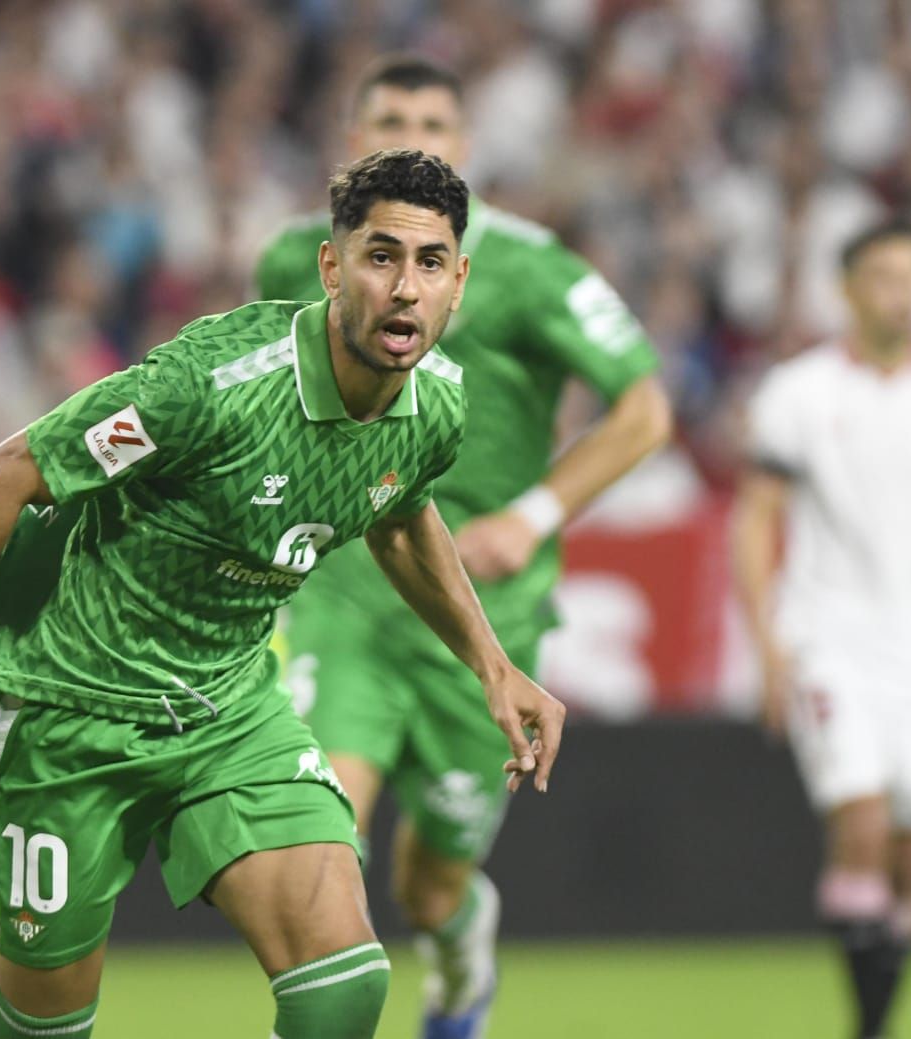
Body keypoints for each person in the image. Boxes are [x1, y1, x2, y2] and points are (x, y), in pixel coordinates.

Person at [0, 148, 566, 1039]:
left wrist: (493, 665)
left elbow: (398, 512)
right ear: (333, 267)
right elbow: (8, 472)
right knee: (33, 1028)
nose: (406, 287)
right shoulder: (211, 387)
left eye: (430, 263)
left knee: (344, 985)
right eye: (381, 256)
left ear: (458, 282)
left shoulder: (436, 405)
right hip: (71, 706)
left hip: (229, 711)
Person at [255, 55, 671, 1038]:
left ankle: (458, 938)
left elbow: (645, 408)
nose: (412, 134)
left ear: (466, 149)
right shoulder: (289, 261)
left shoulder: (533, 269)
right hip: (344, 592)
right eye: (389, 116)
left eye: (433, 120)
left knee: (430, 885)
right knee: (318, 842)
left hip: (481, 612)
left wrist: (531, 513)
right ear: (349, 142)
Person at [731, 217, 911, 1039]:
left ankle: (876, 1014)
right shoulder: (799, 394)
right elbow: (756, 519)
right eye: (886, 275)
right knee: (860, 821)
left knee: (909, 858)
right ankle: (869, 1029)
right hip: (831, 633)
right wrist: (767, 642)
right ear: (848, 290)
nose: (904, 292)